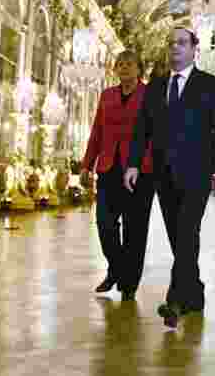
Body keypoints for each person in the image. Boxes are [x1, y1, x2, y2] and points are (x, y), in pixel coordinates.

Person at [125, 27, 215, 329]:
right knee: (179, 238)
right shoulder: (155, 87)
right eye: (171, 43)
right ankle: (195, 292)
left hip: (197, 173)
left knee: (185, 232)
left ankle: (175, 300)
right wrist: (133, 164)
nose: (175, 48)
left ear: (195, 49)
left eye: (182, 43)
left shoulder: (210, 85)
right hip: (162, 173)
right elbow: (142, 129)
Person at [81, 50, 155, 301]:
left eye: (130, 64)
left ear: (139, 68)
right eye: (120, 64)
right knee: (105, 224)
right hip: (109, 168)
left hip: (140, 172)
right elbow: (97, 132)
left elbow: (154, 134)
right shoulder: (107, 95)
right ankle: (117, 269)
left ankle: (129, 284)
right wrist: (86, 165)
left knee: (135, 230)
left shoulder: (150, 95)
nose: (124, 68)